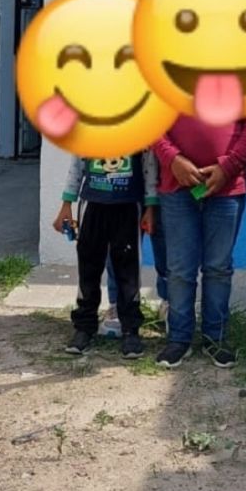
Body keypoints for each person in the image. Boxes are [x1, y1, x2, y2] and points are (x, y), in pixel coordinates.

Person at [152, 108, 246, 369]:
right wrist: (172, 159)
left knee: (218, 267)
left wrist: (229, 165)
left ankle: (215, 338)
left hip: (227, 187)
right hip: (176, 185)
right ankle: (179, 339)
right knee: (180, 269)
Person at [54, 150, 158, 358]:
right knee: (88, 267)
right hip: (93, 203)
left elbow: (149, 166)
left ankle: (130, 329)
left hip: (128, 205)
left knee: (128, 270)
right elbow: (77, 164)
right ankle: (84, 326)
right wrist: (67, 203)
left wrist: (150, 206)